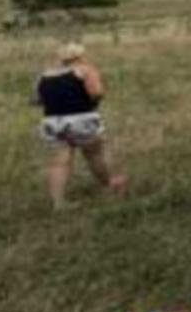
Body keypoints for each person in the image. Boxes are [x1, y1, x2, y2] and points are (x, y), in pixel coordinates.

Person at [34, 42, 127, 211]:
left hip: (52, 122)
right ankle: (108, 185)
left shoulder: (44, 75)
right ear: (80, 56)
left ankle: (58, 203)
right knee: (93, 155)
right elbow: (97, 92)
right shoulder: (85, 70)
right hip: (81, 119)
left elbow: (37, 100)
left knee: (60, 161)